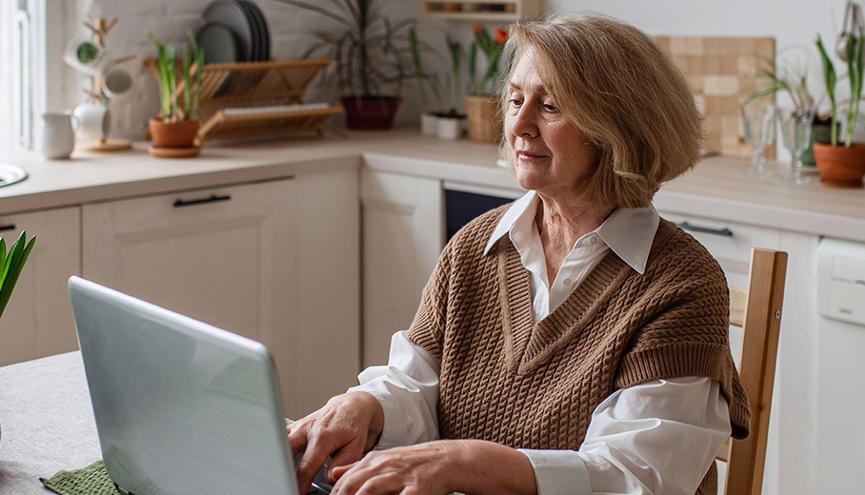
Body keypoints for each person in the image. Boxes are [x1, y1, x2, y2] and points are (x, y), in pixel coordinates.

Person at [288, 14, 749, 495]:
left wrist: (462, 460)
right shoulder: (475, 245)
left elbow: (632, 476)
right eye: (514, 100)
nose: (520, 124)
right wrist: (368, 404)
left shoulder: (682, 285)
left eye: (549, 106)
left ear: (618, 128)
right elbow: (417, 384)